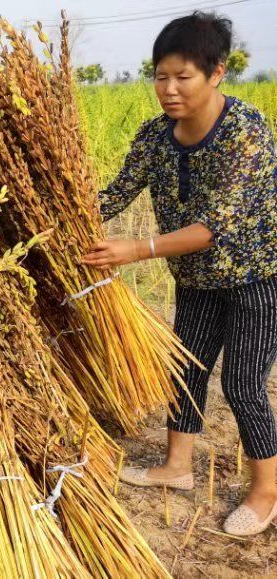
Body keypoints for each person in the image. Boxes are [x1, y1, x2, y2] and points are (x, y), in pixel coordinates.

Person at [82, 11, 277, 536]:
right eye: (160, 76)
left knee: (242, 384)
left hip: (254, 281)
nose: (168, 89)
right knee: (185, 372)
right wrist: (63, 215)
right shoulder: (154, 137)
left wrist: (137, 248)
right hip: (193, 283)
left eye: (182, 77)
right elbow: (116, 193)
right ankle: (177, 467)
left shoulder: (246, 132)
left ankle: (265, 493)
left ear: (216, 73)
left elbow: (216, 226)